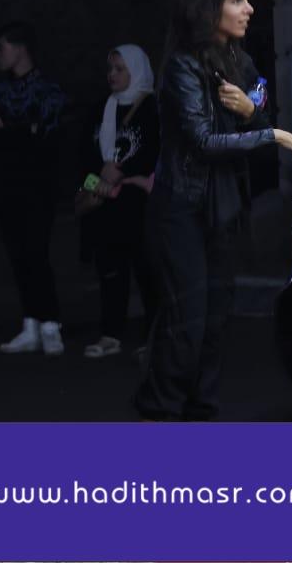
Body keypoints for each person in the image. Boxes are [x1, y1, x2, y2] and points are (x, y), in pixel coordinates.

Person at [134, 0, 292, 421]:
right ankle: (161, 412)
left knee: (216, 320)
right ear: (208, 9)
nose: (249, 8)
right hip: (183, 207)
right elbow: (202, 143)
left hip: (225, 207)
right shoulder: (182, 66)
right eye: (237, 0)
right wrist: (275, 135)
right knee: (187, 321)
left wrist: (252, 112)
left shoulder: (240, 62)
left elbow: (259, 115)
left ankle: (201, 415)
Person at [0, 21, 68, 355]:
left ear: (20, 48)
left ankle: (50, 323)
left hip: (38, 186)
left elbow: (46, 136)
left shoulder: (47, 89)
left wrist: (11, 133)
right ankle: (31, 323)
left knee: (36, 252)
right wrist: (21, 132)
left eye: (1, 47)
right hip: (6, 185)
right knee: (18, 255)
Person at [76, 44, 160, 359]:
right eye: (110, 68)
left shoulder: (152, 109)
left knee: (147, 271)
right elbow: (83, 160)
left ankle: (154, 337)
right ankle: (111, 334)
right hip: (105, 205)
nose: (112, 75)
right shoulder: (101, 109)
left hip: (140, 206)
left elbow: (155, 153)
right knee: (110, 271)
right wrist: (97, 182)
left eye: (120, 69)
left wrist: (122, 172)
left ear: (135, 71)